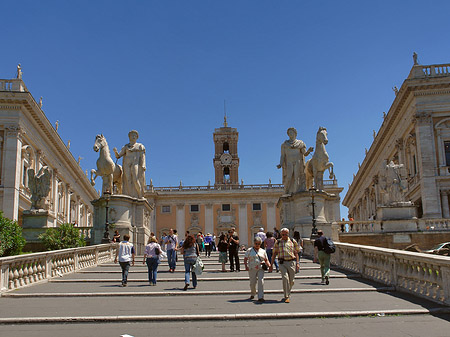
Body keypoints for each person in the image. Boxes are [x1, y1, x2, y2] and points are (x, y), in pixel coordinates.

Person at [277, 127, 313, 194]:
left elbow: (304, 153)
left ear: (295, 133)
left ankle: (296, 193)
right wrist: (281, 163)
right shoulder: (284, 145)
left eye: (292, 132)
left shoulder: (300, 143)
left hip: (298, 162)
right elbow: (282, 155)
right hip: (289, 163)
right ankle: (286, 191)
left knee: (297, 177)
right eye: (289, 133)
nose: (291, 134)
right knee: (288, 177)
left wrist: (308, 151)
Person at [269, 228, 300, 303]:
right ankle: (286, 296)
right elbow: (274, 254)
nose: (284, 236)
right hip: (282, 263)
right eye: (283, 234)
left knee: (291, 281)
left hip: (291, 262)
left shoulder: (293, 241)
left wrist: (298, 263)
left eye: (286, 234)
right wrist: (271, 265)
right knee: (285, 278)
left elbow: (296, 253)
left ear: (288, 234)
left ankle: (288, 293)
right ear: (280, 234)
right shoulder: (278, 242)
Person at [113, 130, 146, 198]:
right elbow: (118, 156)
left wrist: (143, 165)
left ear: (137, 137)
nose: (133, 136)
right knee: (127, 180)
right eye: (132, 135)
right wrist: (115, 152)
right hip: (126, 164)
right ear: (129, 137)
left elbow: (143, 157)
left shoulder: (140, 146)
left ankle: (140, 195)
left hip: (135, 163)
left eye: (135, 135)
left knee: (135, 179)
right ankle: (129, 195)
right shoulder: (126, 146)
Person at [244, 237, 270, 302]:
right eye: (256, 243)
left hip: (260, 268)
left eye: (259, 244)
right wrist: (246, 266)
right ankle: (253, 293)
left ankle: (260, 296)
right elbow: (245, 258)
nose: (257, 245)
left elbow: (266, 259)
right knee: (252, 282)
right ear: (254, 243)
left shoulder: (263, 251)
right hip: (252, 268)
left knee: (261, 281)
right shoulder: (249, 250)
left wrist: (269, 265)